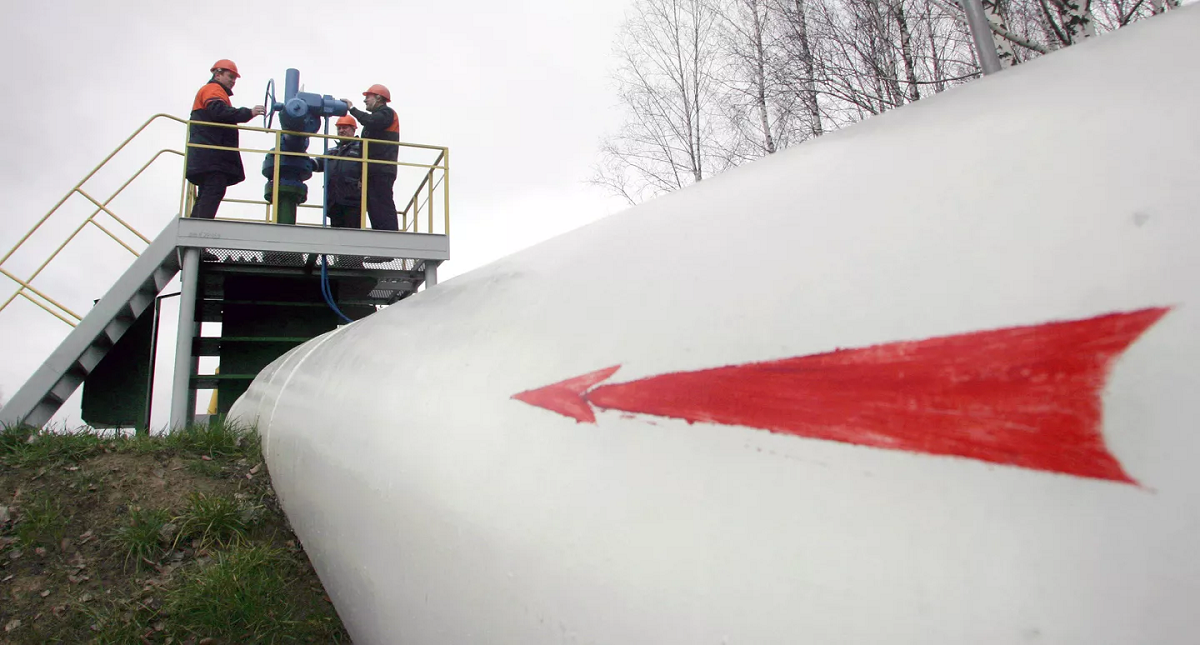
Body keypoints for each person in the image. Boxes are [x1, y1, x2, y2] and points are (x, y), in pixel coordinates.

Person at [186, 59, 265, 219]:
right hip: (211, 155)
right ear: (218, 74)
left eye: (234, 79)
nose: (233, 81)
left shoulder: (213, 91)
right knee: (214, 188)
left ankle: (193, 227)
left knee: (207, 191)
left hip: (206, 155)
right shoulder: (213, 89)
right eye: (230, 76)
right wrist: (249, 113)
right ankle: (199, 228)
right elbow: (219, 111)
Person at [340, 84, 399, 231]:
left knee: (382, 204)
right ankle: (380, 236)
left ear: (378, 98)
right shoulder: (376, 119)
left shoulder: (387, 113)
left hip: (382, 169)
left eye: (368, 97)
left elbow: (371, 121)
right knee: (373, 207)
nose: (365, 100)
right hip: (372, 170)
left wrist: (352, 109)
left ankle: (390, 236)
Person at [315, 115, 364, 228]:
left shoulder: (362, 148)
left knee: (352, 233)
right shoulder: (332, 151)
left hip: (352, 200)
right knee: (336, 234)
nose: (341, 131)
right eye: (339, 128)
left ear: (353, 129)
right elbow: (318, 164)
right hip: (334, 201)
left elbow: (372, 168)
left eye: (345, 128)